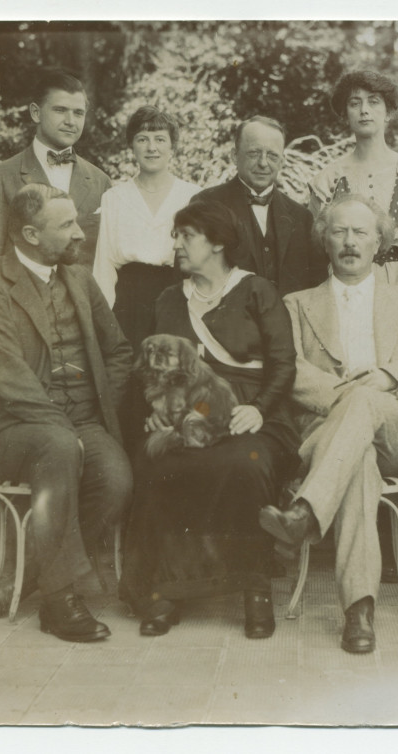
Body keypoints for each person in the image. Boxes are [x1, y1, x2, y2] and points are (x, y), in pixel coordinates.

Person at [259, 194, 398, 654]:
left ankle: (305, 512)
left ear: (379, 240)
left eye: (360, 232)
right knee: (358, 458)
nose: (349, 242)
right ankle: (359, 610)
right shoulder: (297, 304)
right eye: (338, 231)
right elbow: (292, 370)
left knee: (364, 407)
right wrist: (350, 397)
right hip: (337, 430)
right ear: (324, 240)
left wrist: (385, 378)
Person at [118, 199, 299, 639]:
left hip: (249, 412)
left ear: (218, 242)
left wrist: (259, 409)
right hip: (184, 414)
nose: (176, 245)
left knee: (243, 463)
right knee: (160, 463)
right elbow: (147, 369)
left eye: (186, 236)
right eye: (175, 236)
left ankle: (254, 589)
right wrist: (155, 416)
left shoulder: (257, 291)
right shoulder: (167, 299)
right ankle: (166, 591)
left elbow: (284, 364)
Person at [0, 184, 133, 642]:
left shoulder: (79, 278)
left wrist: (99, 406)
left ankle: (20, 576)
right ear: (31, 234)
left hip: (81, 419)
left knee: (116, 482)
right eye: (67, 225)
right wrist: (64, 429)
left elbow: (119, 351)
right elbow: (8, 377)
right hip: (11, 428)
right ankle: (59, 603)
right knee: (58, 446)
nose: (80, 233)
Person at [0, 68, 112, 277]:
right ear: (36, 113)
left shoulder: (101, 181)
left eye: (78, 113)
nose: (71, 121)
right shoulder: (2, 176)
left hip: (83, 305)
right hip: (22, 304)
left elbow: (106, 260)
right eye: (60, 110)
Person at [308, 71, 398, 288]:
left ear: (388, 112)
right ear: (345, 114)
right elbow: (317, 251)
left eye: (373, 102)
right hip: (344, 284)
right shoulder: (327, 181)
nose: (364, 110)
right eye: (354, 103)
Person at [92, 106, 201, 353]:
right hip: (128, 305)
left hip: (178, 301)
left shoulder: (193, 196)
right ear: (132, 146)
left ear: (172, 147)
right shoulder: (114, 198)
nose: (152, 148)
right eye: (143, 139)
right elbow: (104, 268)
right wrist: (104, 324)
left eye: (160, 139)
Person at [193, 116, 326, 296]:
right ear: (234, 155)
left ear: (282, 161)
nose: (263, 163)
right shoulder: (205, 205)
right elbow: (188, 281)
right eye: (254, 153)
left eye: (272, 155)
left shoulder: (301, 217)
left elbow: (315, 288)